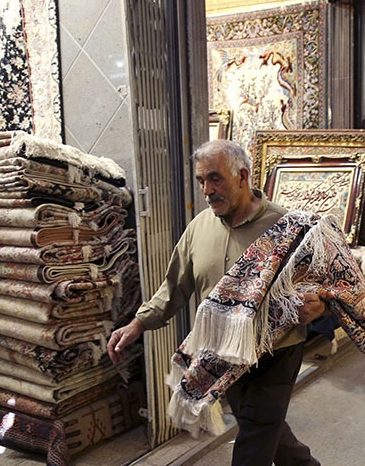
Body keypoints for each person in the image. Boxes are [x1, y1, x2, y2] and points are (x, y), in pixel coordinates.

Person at [108, 139, 326, 465]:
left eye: (215, 178)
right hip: (224, 352)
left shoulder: (287, 226)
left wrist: (320, 305)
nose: (206, 190)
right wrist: (138, 323)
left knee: (256, 431)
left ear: (242, 176)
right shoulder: (199, 228)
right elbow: (174, 287)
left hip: (276, 352)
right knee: (262, 423)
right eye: (201, 181)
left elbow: (327, 282)